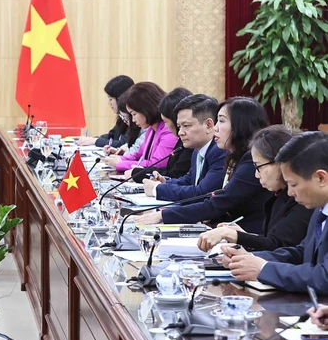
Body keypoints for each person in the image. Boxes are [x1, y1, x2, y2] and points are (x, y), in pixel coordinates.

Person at [137, 96, 270, 232]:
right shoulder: (231, 156)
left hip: (251, 239)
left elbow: (215, 200)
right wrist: (165, 183)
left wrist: (162, 214)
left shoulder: (249, 161)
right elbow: (194, 183)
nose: (216, 128)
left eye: (221, 121)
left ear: (241, 124)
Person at [221, 131, 328, 293]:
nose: (290, 193)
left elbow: (324, 277)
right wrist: (251, 259)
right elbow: (301, 253)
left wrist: (264, 269)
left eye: (293, 184)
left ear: (321, 178)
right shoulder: (320, 209)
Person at [198, 125, 311, 252]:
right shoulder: (279, 195)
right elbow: (274, 241)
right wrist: (244, 236)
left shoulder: (303, 198)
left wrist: (234, 235)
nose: (256, 175)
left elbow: (280, 247)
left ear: (281, 162)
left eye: (259, 167)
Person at [141, 94, 226, 199]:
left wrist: (157, 189)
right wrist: (165, 181)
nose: (180, 132)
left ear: (208, 125)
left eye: (186, 126)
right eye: (179, 126)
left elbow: (203, 193)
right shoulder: (197, 151)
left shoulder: (220, 151)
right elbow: (188, 181)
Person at [101, 82, 178, 173]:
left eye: (134, 114)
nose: (133, 120)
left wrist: (120, 164)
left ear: (146, 109)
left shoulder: (168, 130)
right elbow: (139, 155)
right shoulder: (151, 129)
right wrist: (120, 158)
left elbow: (156, 165)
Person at [130, 87, 193, 182]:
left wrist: (140, 174)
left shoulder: (191, 144)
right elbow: (170, 170)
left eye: (166, 122)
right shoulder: (181, 141)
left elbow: (176, 175)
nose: (166, 127)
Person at [77, 75, 134, 147]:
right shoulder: (122, 117)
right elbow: (112, 135)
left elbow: (122, 144)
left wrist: (95, 141)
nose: (109, 103)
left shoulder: (134, 118)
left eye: (111, 99)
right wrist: (92, 139)